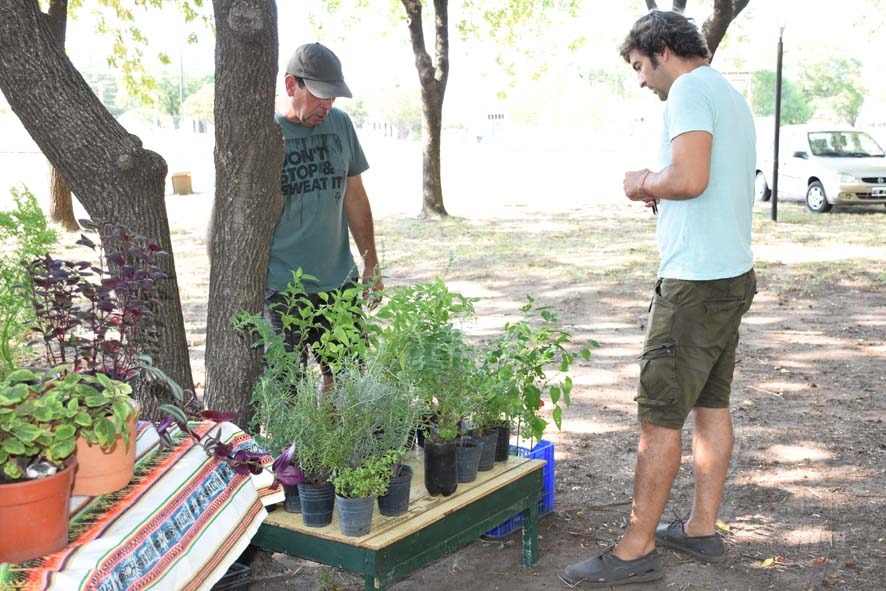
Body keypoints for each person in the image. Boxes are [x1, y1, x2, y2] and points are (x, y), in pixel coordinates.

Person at [561, 11, 757, 587]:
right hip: (729, 276)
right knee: (710, 406)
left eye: (641, 67)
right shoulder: (727, 91)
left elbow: (691, 178)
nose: (641, 81)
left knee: (659, 419)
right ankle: (701, 529)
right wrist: (667, 191)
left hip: (694, 288)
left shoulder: (691, 90)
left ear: (664, 49)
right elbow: (707, 182)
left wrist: (644, 181)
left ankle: (635, 548)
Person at [265, 42, 383, 380]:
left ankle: (334, 435)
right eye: (319, 95)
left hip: (338, 283)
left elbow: (355, 197)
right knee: (287, 391)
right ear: (291, 85)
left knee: (347, 382)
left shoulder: (341, 125)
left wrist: (371, 261)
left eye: (332, 97)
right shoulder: (267, 133)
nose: (327, 106)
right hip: (282, 288)